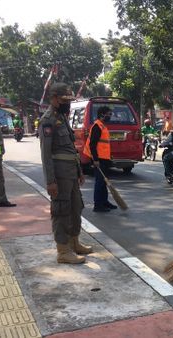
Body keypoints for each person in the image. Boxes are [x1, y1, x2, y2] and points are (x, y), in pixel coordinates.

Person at [39, 83, 91, 264]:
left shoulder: (62, 117)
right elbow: (46, 154)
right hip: (59, 175)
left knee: (76, 207)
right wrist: (50, 181)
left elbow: (70, 150)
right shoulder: (48, 120)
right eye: (64, 100)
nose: (67, 104)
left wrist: (79, 171)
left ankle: (73, 242)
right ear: (54, 99)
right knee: (61, 211)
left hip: (71, 173)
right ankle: (63, 251)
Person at [84, 106, 117, 213]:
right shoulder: (97, 127)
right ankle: (97, 205)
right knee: (99, 182)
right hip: (99, 159)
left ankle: (104, 201)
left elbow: (103, 145)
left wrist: (109, 156)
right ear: (102, 114)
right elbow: (92, 145)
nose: (110, 116)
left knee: (104, 182)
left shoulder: (103, 126)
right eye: (109, 114)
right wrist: (96, 159)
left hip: (104, 159)